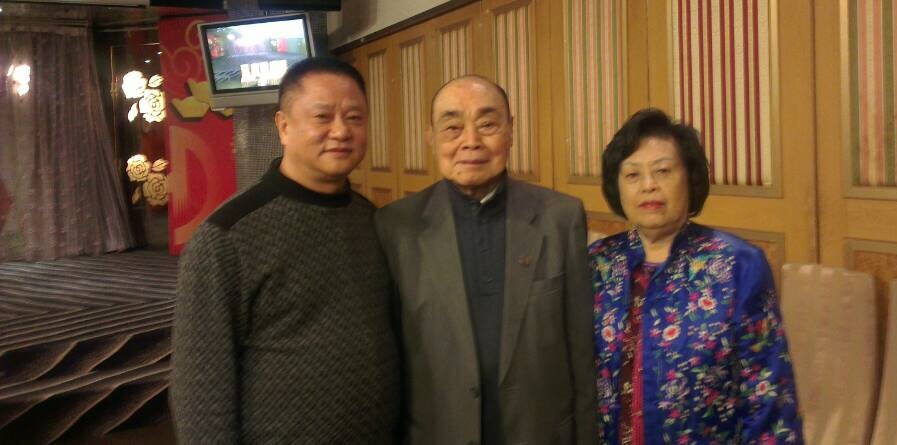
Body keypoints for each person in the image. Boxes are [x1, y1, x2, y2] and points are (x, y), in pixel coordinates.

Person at [170, 57, 400, 443]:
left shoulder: (370, 219)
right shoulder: (227, 236)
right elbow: (200, 388)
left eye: (355, 118)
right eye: (323, 116)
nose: (341, 131)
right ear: (284, 126)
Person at [375, 75, 597, 445]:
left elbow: (581, 351)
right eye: (453, 127)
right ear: (431, 137)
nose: (471, 141)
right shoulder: (395, 226)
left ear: (510, 130)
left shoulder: (561, 217)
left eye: (487, 124)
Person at [591, 108, 803, 444]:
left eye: (662, 171)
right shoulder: (597, 264)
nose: (648, 185)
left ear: (689, 178)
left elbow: (768, 394)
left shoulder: (737, 265)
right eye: (632, 175)